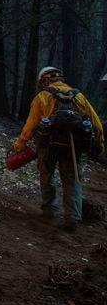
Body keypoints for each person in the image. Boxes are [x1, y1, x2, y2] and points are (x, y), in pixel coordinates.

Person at [13, 66, 104, 231]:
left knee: (46, 175)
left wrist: (20, 144)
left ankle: (49, 209)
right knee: (73, 180)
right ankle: (73, 218)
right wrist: (100, 144)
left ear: (44, 80)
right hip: (74, 148)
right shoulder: (79, 97)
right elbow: (96, 123)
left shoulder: (43, 96)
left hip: (48, 145)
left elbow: (31, 124)